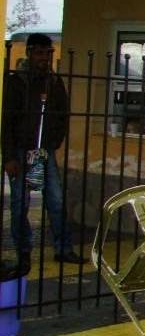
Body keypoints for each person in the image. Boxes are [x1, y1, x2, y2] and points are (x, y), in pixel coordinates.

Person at [1, 33, 83, 271]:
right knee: (20, 203)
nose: (44, 58)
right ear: (29, 53)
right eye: (39, 53)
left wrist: (54, 141)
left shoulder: (54, 82)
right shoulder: (17, 82)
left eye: (48, 54)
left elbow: (62, 114)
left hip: (44, 151)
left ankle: (63, 248)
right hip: (20, 150)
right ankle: (24, 250)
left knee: (56, 200)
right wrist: (9, 157)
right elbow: (7, 121)